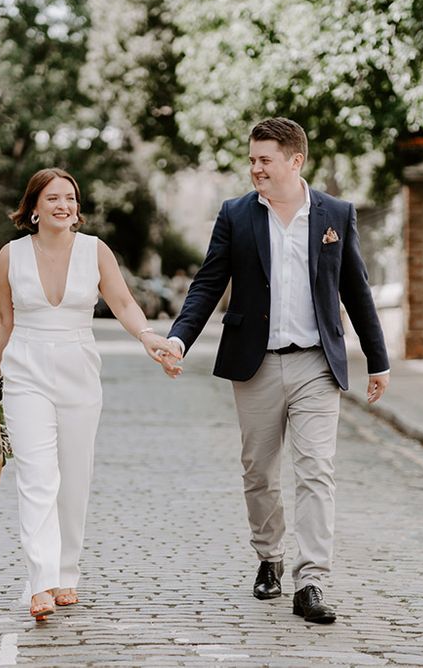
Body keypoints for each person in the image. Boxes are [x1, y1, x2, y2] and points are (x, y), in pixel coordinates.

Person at [160, 118, 390, 623]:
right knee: (259, 472)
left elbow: (357, 288)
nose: (255, 168)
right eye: (252, 159)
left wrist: (378, 358)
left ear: (295, 161)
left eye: (264, 159)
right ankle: (270, 556)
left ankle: (312, 580)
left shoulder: (335, 213)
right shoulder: (237, 214)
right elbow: (208, 282)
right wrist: (178, 338)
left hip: (315, 363)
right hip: (256, 363)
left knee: (316, 471)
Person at [0, 167, 177, 621]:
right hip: (26, 369)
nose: (63, 205)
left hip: (78, 370)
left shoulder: (95, 251)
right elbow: (1, 320)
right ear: (33, 208)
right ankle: (40, 582)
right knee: (36, 475)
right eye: (52, 198)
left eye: (69, 197)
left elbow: (124, 303)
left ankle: (66, 573)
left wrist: (148, 337)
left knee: (74, 475)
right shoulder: (10, 256)